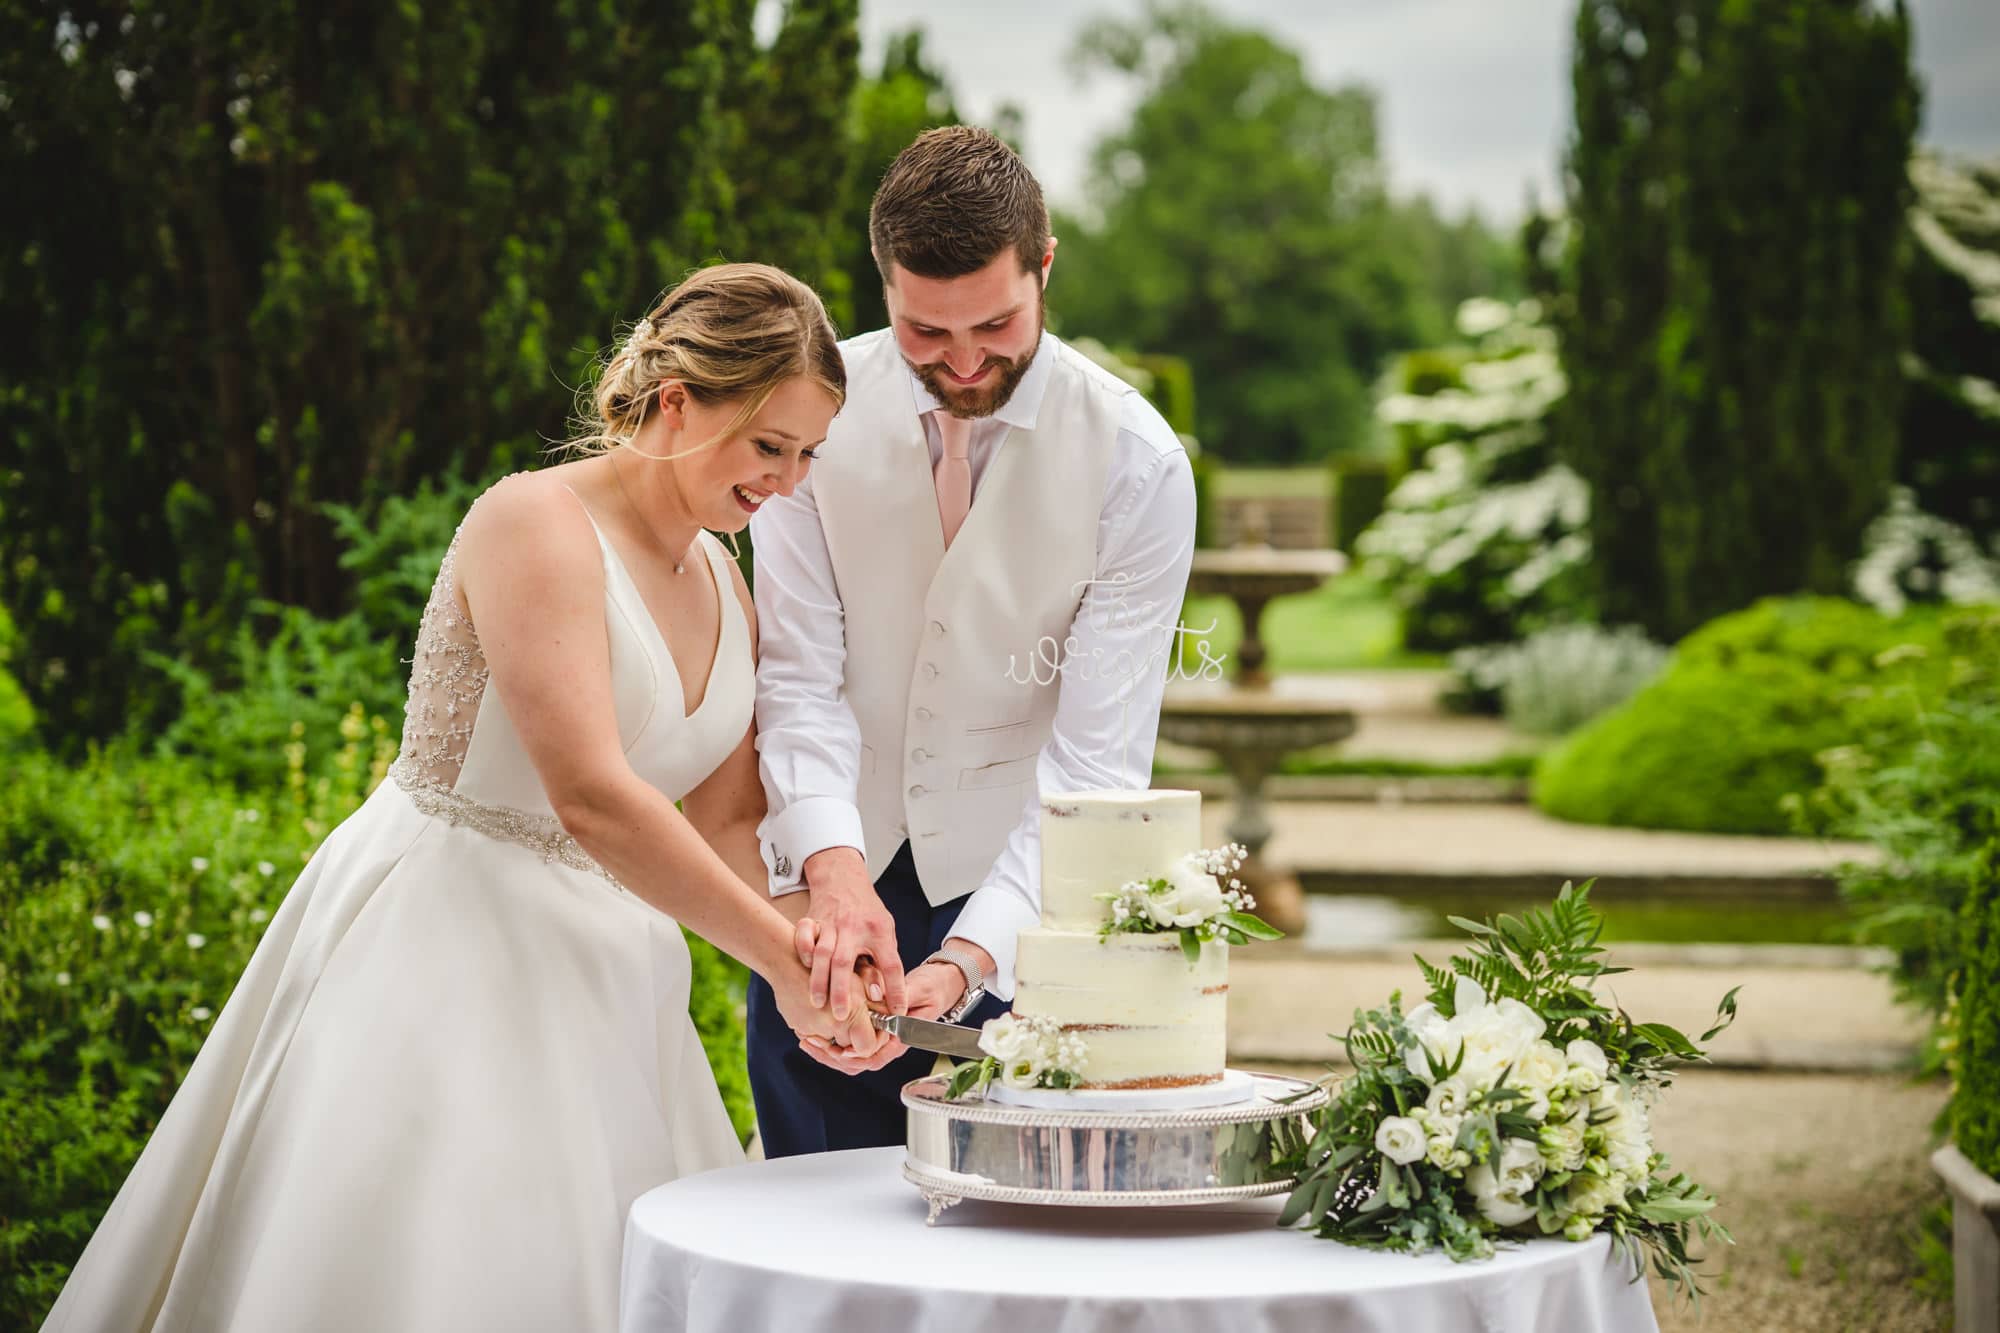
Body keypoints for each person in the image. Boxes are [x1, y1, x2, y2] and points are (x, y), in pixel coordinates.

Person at [42, 262, 884, 1333]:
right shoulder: (531, 523)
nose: (789, 481)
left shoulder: (725, 578)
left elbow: (722, 819)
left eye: (808, 454)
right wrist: (773, 957)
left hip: (608, 983)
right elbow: (588, 792)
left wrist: (829, 956)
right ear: (679, 400)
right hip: (443, 946)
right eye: (770, 445)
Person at [746, 126, 1199, 1155]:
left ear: (1044, 265)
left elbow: (1093, 765)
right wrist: (832, 875)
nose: (961, 363)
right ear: (882, 289)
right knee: (811, 1225)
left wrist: (965, 960)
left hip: (1019, 893)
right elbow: (797, 677)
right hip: (830, 886)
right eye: (923, 333)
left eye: (993, 324)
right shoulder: (807, 422)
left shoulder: (1136, 464)